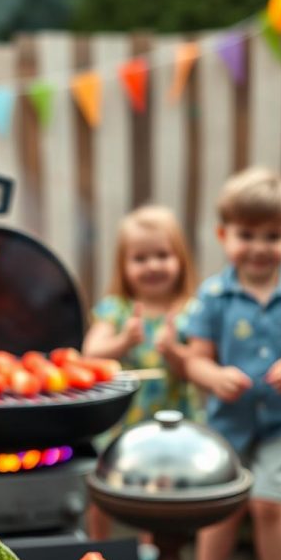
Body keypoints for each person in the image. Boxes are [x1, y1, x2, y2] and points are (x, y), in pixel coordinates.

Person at [186, 166, 281, 560]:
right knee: (220, 507)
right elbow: (195, 358)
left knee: (269, 501)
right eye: (246, 234)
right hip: (228, 427)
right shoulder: (214, 296)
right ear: (223, 235)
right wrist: (213, 375)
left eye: (272, 235)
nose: (258, 246)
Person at [83, 204, 199, 541]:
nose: (152, 266)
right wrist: (123, 341)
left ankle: (151, 554)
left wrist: (175, 352)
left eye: (162, 255)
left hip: (170, 422)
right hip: (125, 419)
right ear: (124, 265)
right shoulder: (116, 309)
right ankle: (98, 548)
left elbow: (197, 366)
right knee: (101, 489)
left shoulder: (192, 310)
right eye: (140, 258)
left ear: (180, 259)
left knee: (155, 492)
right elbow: (91, 353)